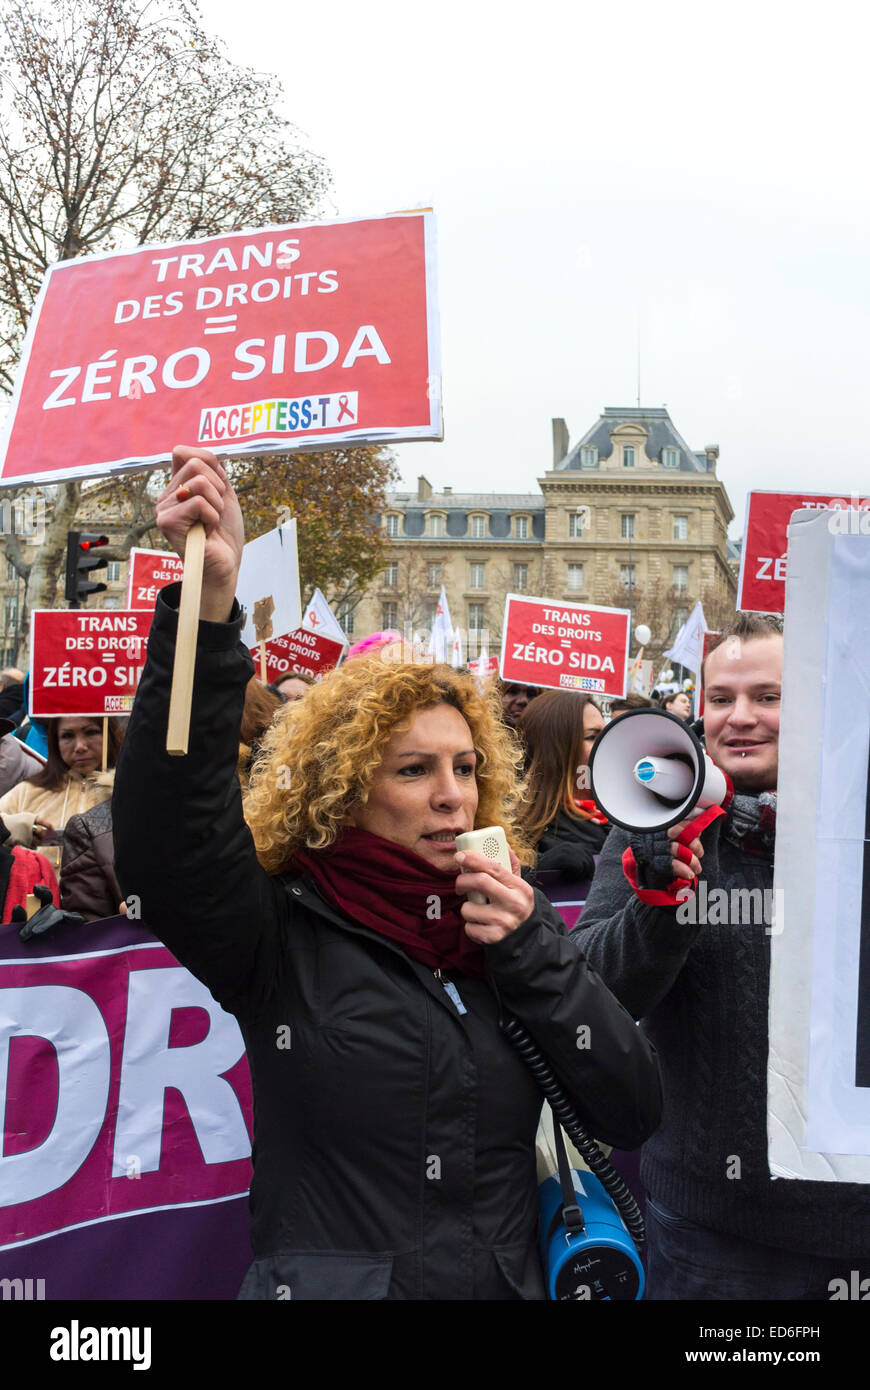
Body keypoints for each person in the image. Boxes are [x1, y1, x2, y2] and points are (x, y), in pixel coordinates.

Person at [113, 445, 662, 1302]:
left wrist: (532, 955)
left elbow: (631, 1108)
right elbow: (169, 830)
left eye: (467, 767)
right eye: (413, 771)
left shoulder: (513, 920)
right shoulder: (283, 929)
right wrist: (207, 609)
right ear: (345, 791)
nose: (453, 797)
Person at [577, 612, 870, 1299]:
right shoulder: (654, 811)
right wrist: (661, 902)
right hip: (717, 1237)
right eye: (720, 698)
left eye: (769, 697)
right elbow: (591, 994)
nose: (740, 717)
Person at [516, 691, 607, 882]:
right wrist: (538, 870)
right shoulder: (512, 830)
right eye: (592, 737)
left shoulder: (628, 818)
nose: (607, 745)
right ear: (555, 749)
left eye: (606, 735)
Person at [0, 716, 121, 858]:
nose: (80, 746)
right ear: (55, 741)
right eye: (67, 736)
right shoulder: (26, 792)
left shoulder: (131, 792)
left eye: (90, 732)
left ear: (109, 734)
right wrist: (8, 828)